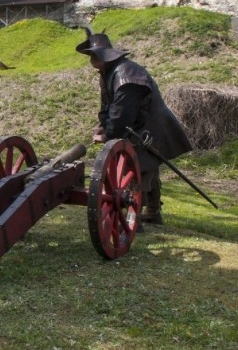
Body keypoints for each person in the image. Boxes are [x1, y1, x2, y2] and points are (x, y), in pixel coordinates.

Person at [76, 29, 192, 225]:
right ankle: (153, 212)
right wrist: (103, 126)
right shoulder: (108, 72)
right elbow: (109, 106)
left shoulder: (127, 75)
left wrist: (109, 135)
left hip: (150, 126)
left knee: (138, 168)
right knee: (147, 167)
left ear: (102, 56)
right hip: (138, 125)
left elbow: (123, 113)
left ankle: (133, 218)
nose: (90, 60)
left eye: (92, 55)